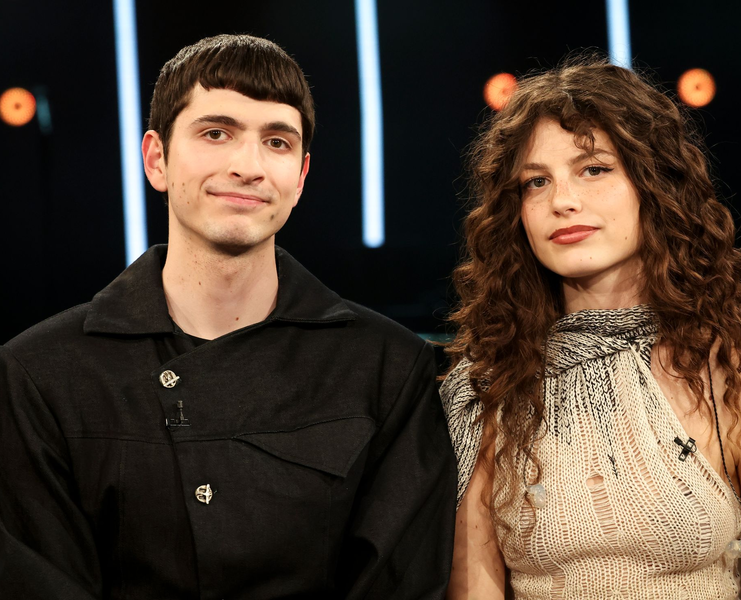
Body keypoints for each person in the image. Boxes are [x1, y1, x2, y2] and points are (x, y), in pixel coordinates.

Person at [0, 34, 456, 599]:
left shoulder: (387, 367)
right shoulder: (41, 374)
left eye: (277, 142)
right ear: (156, 159)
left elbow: (401, 584)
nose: (249, 166)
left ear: (301, 178)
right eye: (217, 134)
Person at [441, 57, 741, 599]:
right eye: (536, 182)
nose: (562, 201)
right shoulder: (485, 393)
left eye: (594, 169)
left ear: (654, 184)